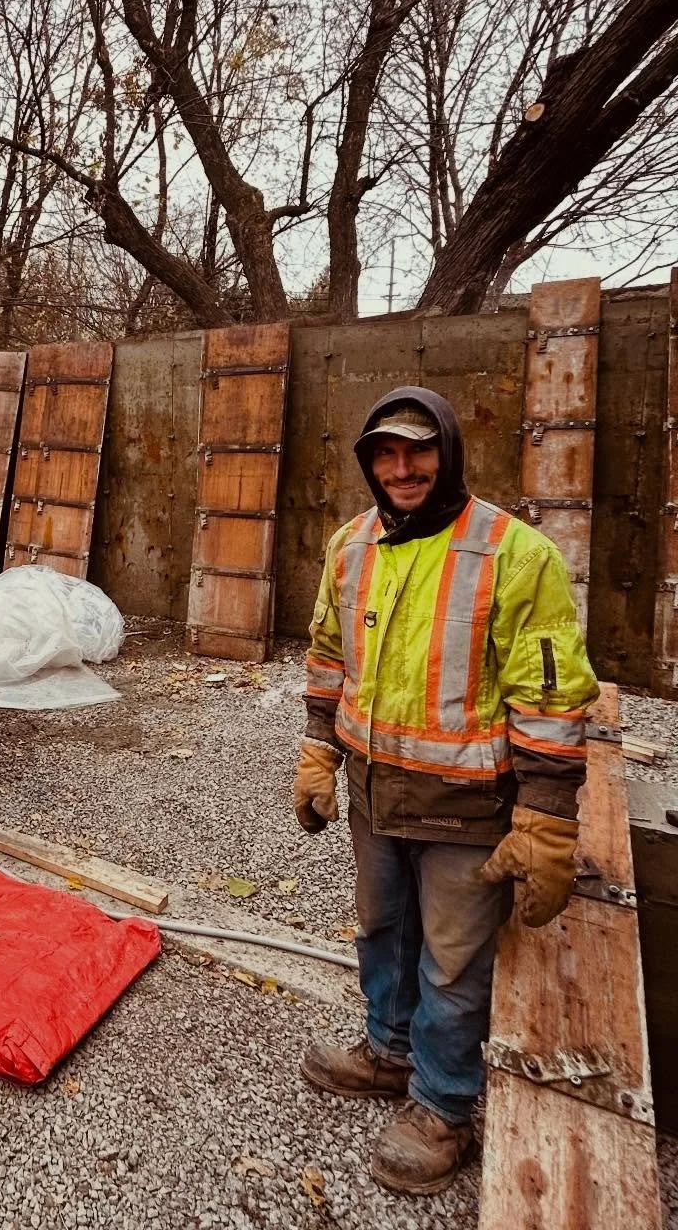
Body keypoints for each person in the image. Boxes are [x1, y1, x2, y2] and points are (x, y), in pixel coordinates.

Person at [294, 386, 597, 1195]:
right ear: (369, 463)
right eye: (385, 454)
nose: (402, 467)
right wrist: (318, 754)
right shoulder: (351, 545)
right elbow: (328, 657)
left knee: (454, 966)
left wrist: (545, 820)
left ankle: (443, 1105)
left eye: (418, 450)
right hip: (373, 794)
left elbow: (551, 694)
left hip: (468, 808)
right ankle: (388, 1053)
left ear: (449, 452)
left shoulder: (513, 551)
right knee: (380, 931)